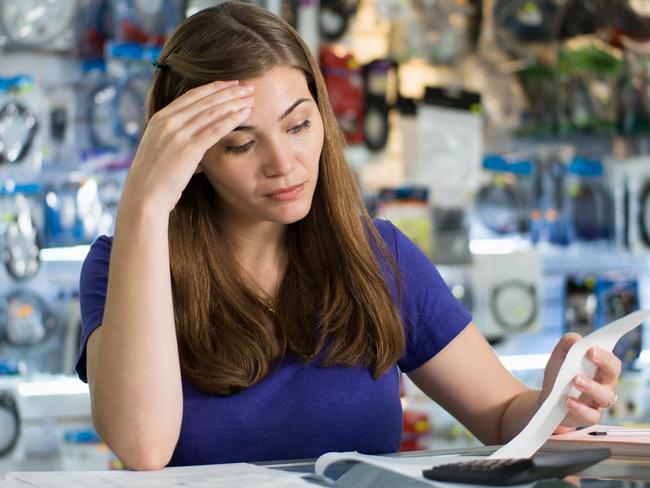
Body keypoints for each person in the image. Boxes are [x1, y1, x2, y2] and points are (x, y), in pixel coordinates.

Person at [75, 1, 622, 471]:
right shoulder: (124, 265)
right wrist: (145, 201)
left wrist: (557, 404)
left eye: (298, 125)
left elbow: (502, 416)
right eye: (240, 144)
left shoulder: (379, 256)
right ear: (190, 158)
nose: (283, 164)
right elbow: (143, 447)